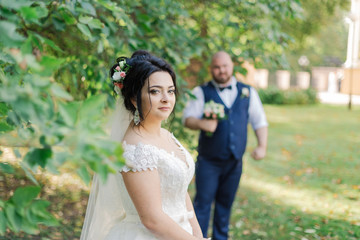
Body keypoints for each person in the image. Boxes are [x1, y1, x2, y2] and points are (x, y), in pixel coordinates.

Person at [80, 50, 209, 240]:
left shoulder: (166, 136)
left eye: (170, 90)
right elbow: (152, 220)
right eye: (155, 91)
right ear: (133, 98)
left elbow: (180, 191)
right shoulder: (135, 149)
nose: (166, 98)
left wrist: (198, 235)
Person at [183, 51, 268, 240]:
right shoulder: (201, 91)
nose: (221, 70)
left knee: (225, 205)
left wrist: (262, 146)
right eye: (217, 67)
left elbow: (259, 121)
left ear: (232, 67)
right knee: (202, 204)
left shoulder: (248, 92)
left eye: (225, 66)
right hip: (208, 161)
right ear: (211, 69)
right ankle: (198, 238)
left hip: (234, 161)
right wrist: (202, 124)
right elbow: (187, 119)